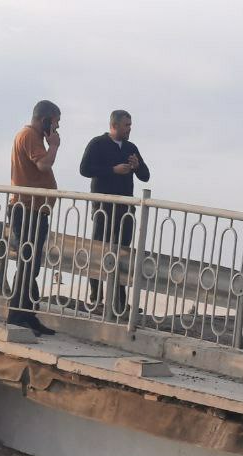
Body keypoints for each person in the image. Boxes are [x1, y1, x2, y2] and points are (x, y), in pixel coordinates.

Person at [79, 109, 150, 313]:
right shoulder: (98, 143)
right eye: (126, 125)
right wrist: (113, 170)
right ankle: (95, 296)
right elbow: (84, 169)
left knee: (122, 254)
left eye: (130, 125)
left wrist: (137, 167)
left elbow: (145, 176)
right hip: (103, 208)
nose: (129, 129)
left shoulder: (131, 147)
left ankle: (120, 301)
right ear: (115, 125)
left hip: (125, 210)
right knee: (98, 250)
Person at [7, 100, 62, 335]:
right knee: (28, 263)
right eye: (56, 121)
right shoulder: (30, 135)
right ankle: (17, 316)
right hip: (26, 208)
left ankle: (28, 315)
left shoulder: (32, 137)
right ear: (45, 120)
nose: (57, 127)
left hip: (34, 209)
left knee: (31, 265)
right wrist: (54, 146)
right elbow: (42, 165)